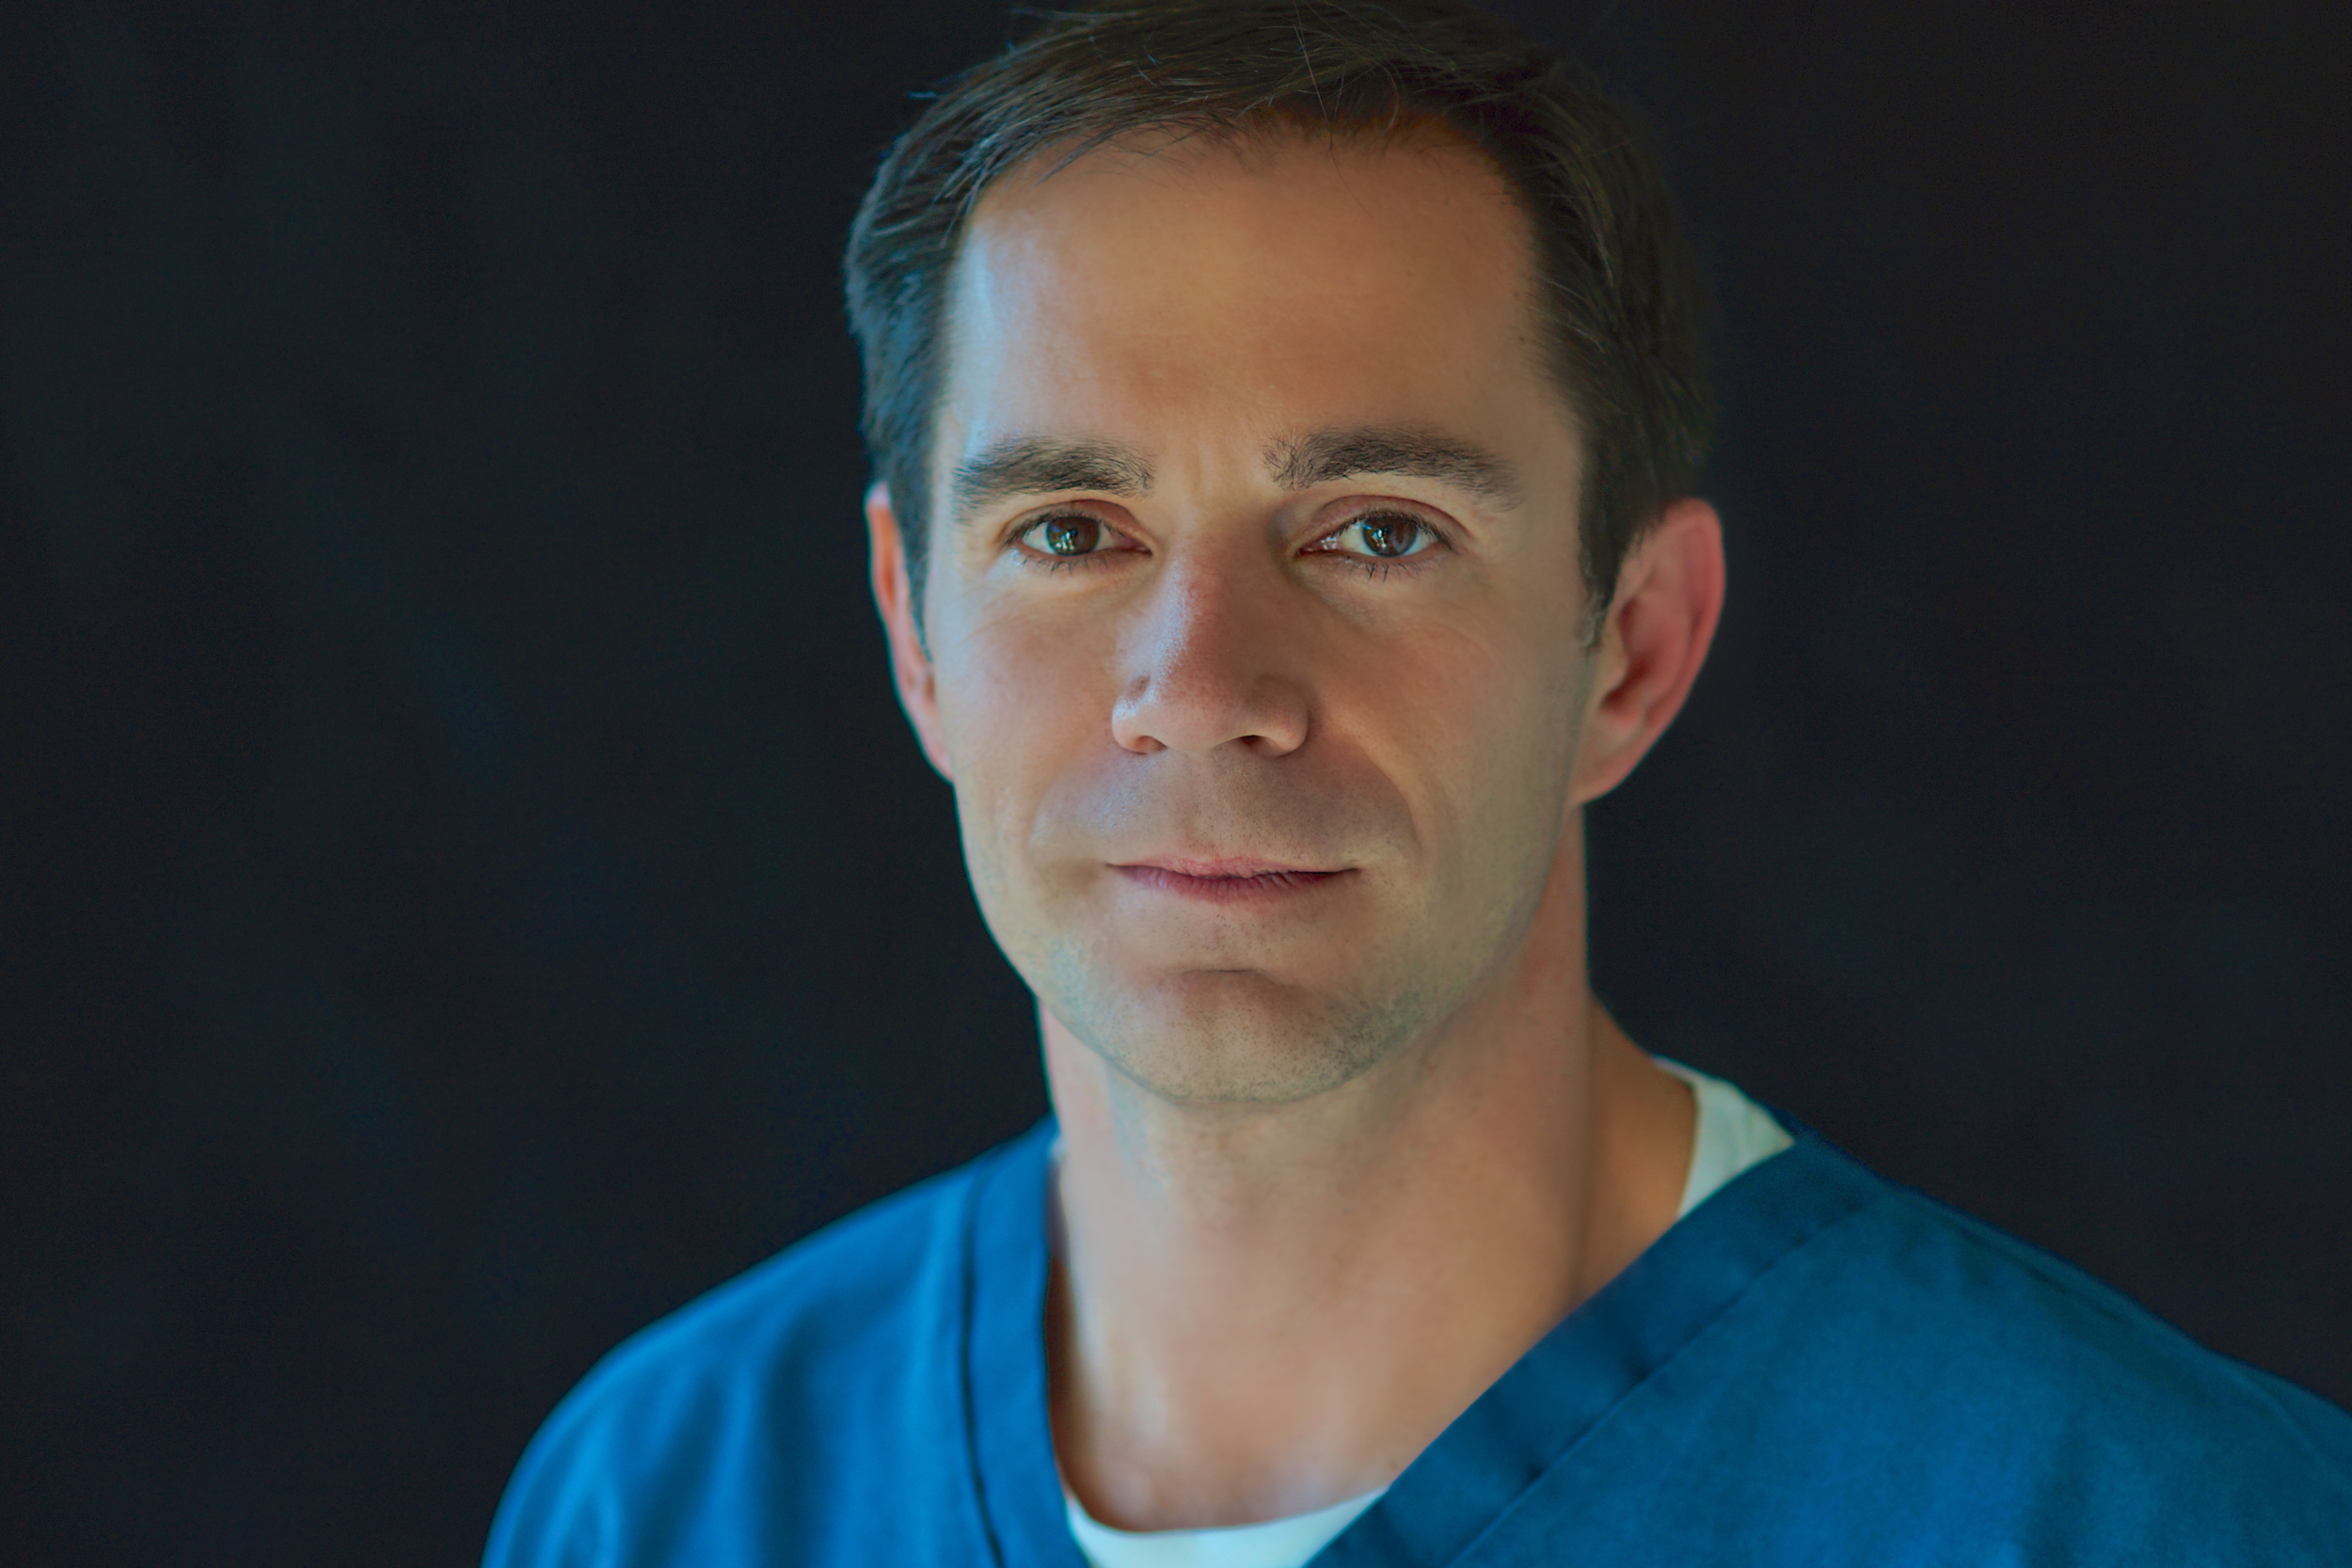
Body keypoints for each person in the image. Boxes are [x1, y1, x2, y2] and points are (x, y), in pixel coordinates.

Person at [482, 2, 2352, 1562]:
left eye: (1375, 528)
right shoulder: (667, 1494)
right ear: (914, 638)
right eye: (1070, 529)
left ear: (1628, 642)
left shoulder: (2144, 1519)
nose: (1201, 688)